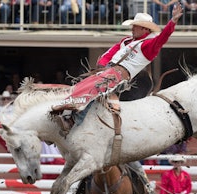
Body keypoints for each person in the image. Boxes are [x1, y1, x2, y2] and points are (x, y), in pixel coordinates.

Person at [52, 6, 183, 131]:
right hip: (108, 71)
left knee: (96, 88)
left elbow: (162, 38)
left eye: (135, 26)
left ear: (145, 29)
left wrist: (172, 21)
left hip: (120, 75)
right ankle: (65, 110)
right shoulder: (126, 41)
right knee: (82, 84)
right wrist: (102, 67)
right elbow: (107, 55)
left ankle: (73, 121)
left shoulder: (149, 45)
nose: (132, 28)